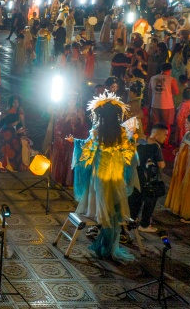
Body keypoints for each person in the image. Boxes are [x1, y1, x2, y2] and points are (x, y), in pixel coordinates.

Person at [70, 92, 136, 261]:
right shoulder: (121, 131)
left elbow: (87, 151)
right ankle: (110, 238)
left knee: (101, 198)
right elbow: (129, 153)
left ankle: (100, 219)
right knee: (114, 204)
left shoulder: (98, 131)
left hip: (100, 172)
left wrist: (76, 143)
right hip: (116, 172)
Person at [165, 109, 190, 223]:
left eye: (187, 123)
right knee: (181, 184)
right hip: (182, 166)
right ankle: (180, 208)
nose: (185, 124)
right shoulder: (187, 134)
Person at [128, 124, 167, 233]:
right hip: (149, 179)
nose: (165, 138)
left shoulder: (139, 142)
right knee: (150, 200)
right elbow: (161, 165)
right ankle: (144, 224)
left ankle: (131, 220)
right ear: (156, 134)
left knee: (135, 199)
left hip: (136, 175)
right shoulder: (155, 146)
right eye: (164, 135)